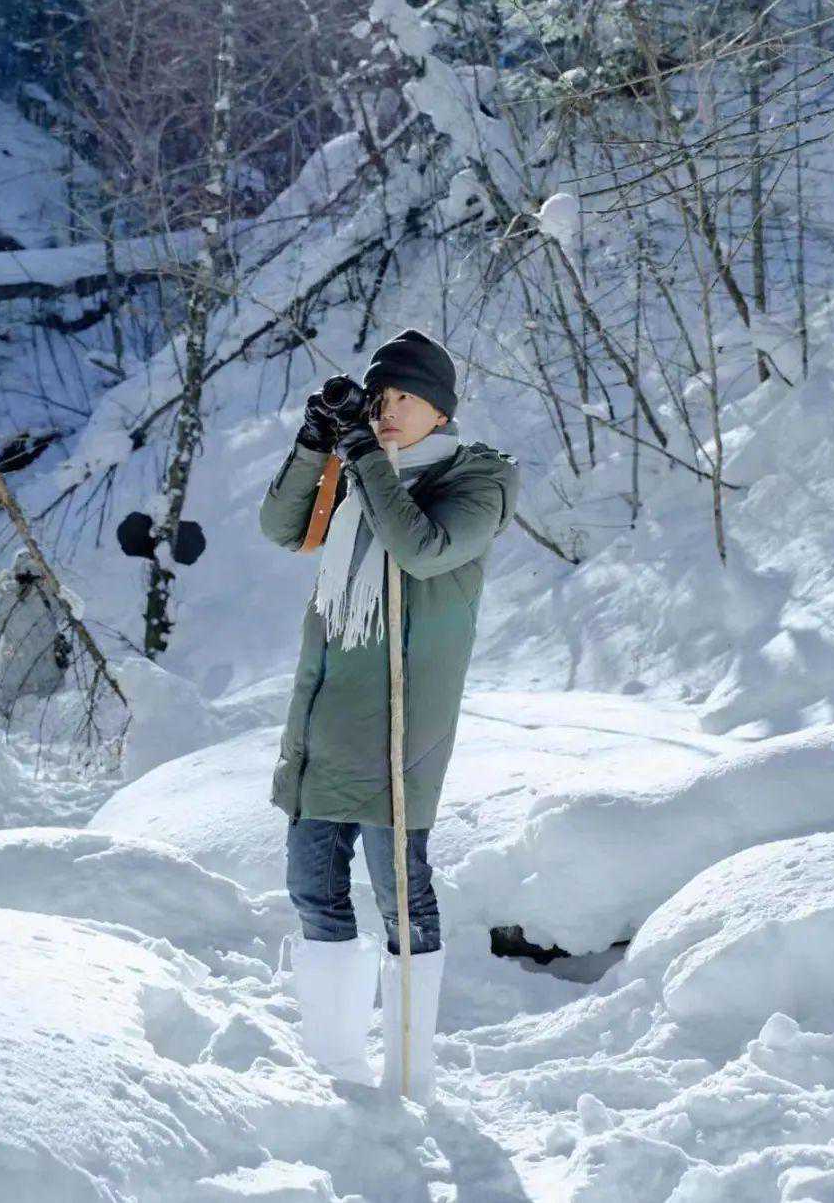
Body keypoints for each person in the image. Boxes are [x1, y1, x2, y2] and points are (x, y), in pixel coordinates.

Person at [259, 327, 519, 1102]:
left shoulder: (478, 480)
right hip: (327, 713)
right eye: (379, 399)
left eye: (406, 397)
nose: (388, 411)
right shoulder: (362, 470)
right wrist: (317, 443)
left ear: (441, 409)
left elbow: (422, 548)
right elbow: (283, 528)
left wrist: (363, 456)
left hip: (404, 722)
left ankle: (410, 1078)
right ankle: (338, 1075)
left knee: (401, 892)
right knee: (312, 887)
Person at [0, 549, 73, 719]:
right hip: (47, 679)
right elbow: (68, 613)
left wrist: (2, 585)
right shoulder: (48, 594)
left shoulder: (9, 594)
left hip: (15, 679)